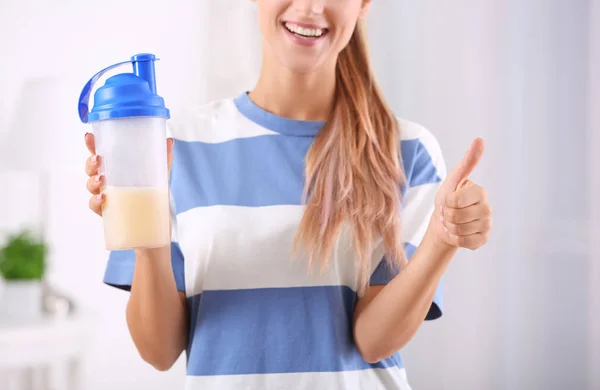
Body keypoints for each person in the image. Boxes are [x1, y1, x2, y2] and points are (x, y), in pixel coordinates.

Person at [84, 0, 492, 389]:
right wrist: (147, 225)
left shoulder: (407, 150)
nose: (310, 7)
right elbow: (158, 351)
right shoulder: (176, 144)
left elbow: (374, 342)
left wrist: (441, 241)